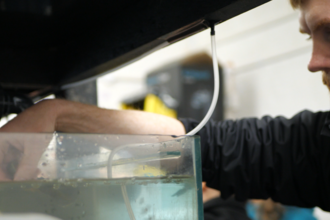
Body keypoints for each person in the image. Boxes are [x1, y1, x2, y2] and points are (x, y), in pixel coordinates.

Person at [1, 0, 330, 212]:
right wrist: (54, 113)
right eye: (308, 37)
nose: (314, 62)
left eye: (329, 32)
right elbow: (211, 147)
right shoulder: (321, 148)